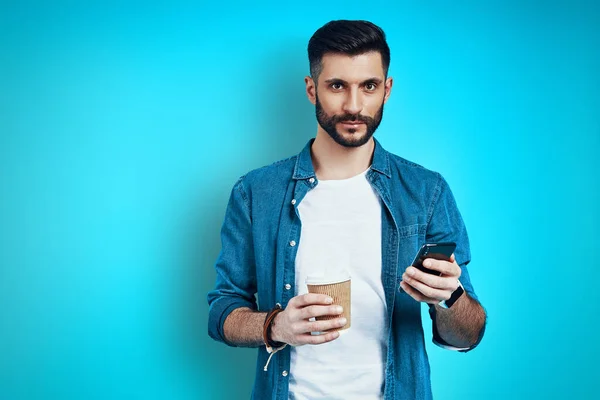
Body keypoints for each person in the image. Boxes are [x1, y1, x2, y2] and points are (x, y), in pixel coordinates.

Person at [207, 20, 486, 400]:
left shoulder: (427, 192)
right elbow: (222, 311)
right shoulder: (255, 193)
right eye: (337, 85)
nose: (354, 106)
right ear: (311, 89)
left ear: (386, 90)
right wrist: (276, 326)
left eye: (368, 86)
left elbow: (468, 335)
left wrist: (449, 297)